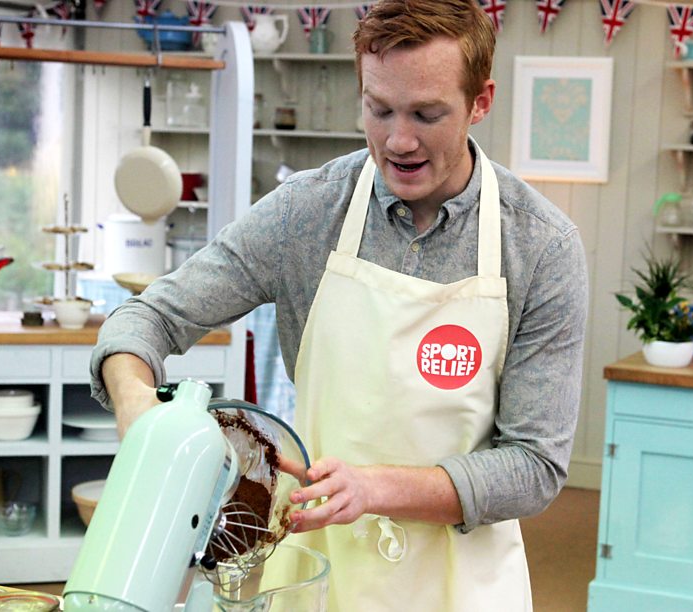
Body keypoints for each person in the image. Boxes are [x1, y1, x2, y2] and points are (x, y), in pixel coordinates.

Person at [90, 0, 588, 608]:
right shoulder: (307, 213)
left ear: (480, 101)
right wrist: (135, 401)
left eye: (426, 114)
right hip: (319, 574)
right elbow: (148, 317)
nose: (398, 140)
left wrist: (375, 488)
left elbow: (534, 466)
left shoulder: (540, 246)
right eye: (378, 109)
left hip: (463, 584)